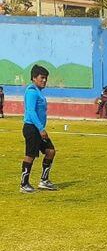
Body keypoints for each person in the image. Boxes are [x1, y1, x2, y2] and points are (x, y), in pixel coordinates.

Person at [20, 64, 58, 193]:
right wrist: (41, 129)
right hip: (32, 128)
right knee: (30, 155)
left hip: (37, 128)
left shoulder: (38, 92)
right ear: (34, 78)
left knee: (50, 151)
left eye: (46, 78)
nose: (44, 80)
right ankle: (24, 184)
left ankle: (44, 181)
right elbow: (31, 111)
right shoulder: (31, 92)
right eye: (42, 77)